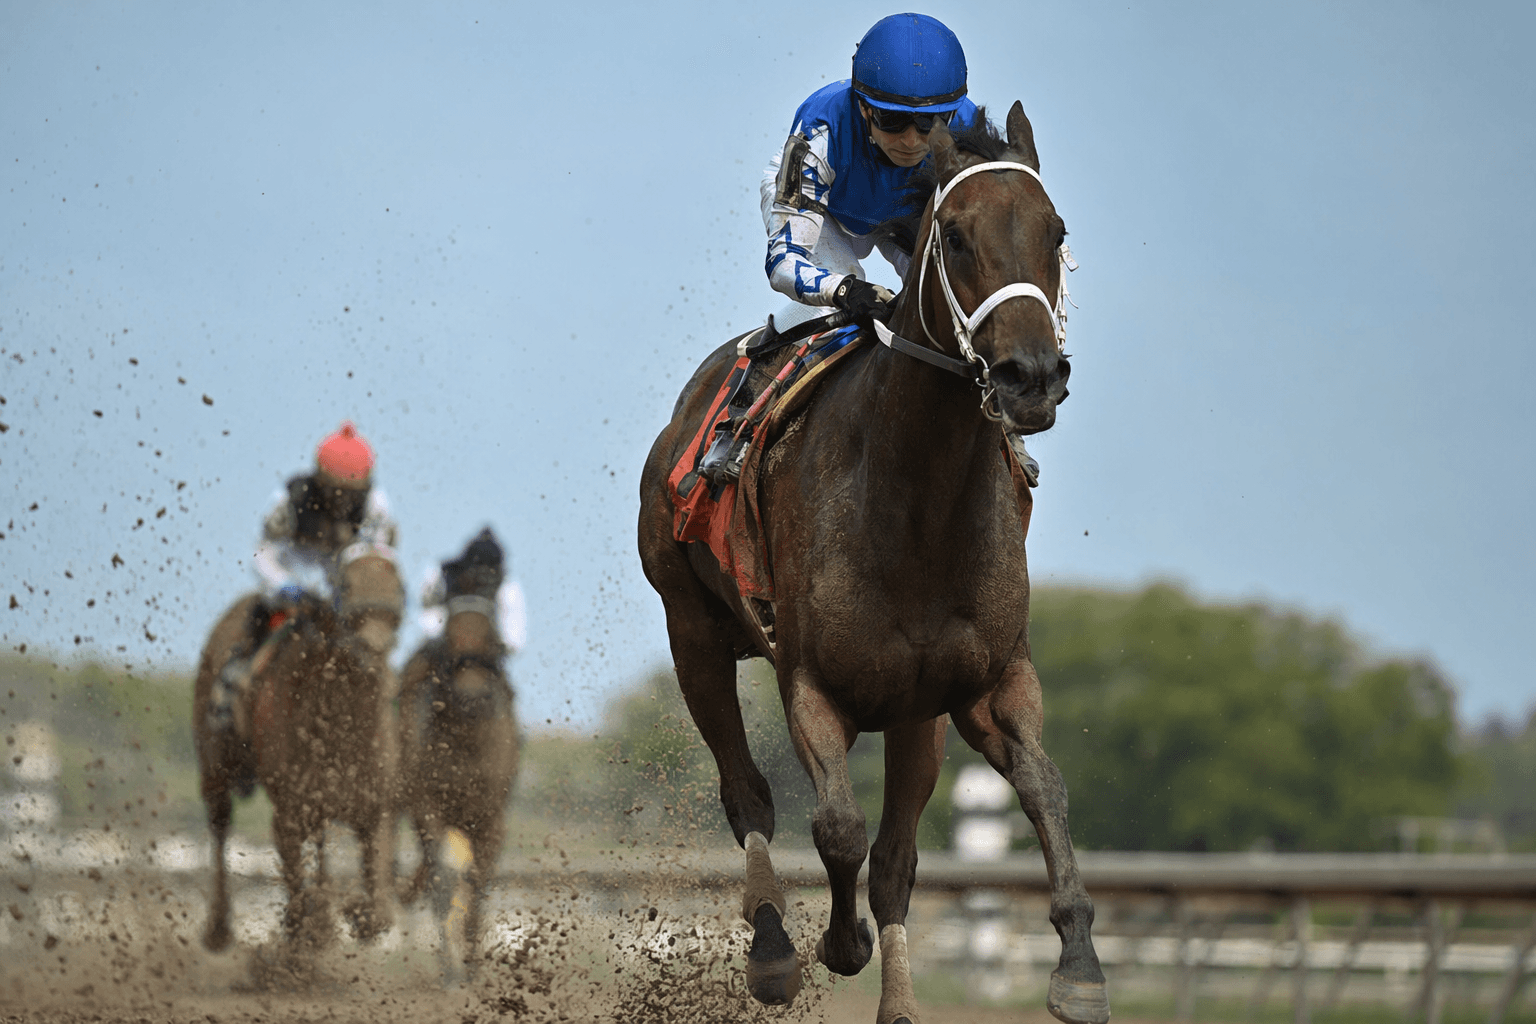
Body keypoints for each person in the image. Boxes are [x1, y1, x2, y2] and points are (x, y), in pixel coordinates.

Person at [702, 13, 1040, 485]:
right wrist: (844, 292)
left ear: (950, 115)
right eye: (893, 120)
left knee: (954, 303)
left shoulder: (967, 132)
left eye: (928, 126)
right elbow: (783, 263)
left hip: (900, 217)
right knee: (838, 313)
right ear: (863, 109)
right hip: (828, 212)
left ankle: (1004, 424)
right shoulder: (820, 130)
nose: (910, 141)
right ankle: (739, 420)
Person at [206, 421, 401, 739]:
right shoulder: (290, 499)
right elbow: (263, 551)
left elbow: (375, 559)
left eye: (350, 496)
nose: (342, 503)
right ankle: (233, 682)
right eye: (334, 493)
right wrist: (283, 584)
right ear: (320, 482)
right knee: (261, 615)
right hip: (294, 565)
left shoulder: (377, 507)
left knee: (371, 631)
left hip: (341, 572)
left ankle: (387, 702)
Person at [415, 527, 527, 656]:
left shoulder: (446, 570)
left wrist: (432, 634)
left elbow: (427, 601)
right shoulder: (507, 583)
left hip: (446, 641)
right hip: (483, 648)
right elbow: (513, 635)